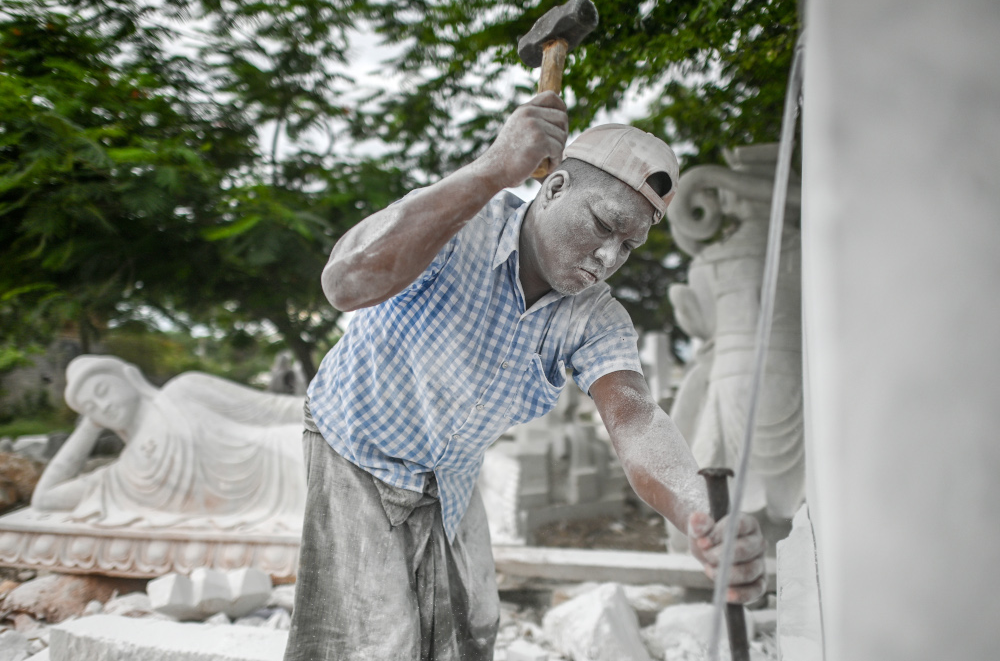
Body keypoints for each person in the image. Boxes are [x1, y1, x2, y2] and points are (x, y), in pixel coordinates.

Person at [284, 92, 766, 661]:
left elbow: (636, 419)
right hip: (355, 449)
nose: (609, 256)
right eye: (604, 224)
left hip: (449, 478)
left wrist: (699, 512)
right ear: (555, 187)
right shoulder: (457, 225)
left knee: (469, 635)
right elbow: (344, 283)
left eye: (629, 244)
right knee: (371, 645)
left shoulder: (594, 316)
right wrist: (492, 168)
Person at [33, 355, 306, 532]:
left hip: (296, 454)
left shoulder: (184, 391)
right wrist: (89, 426)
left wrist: (341, 409)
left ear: (128, 376)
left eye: (103, 390)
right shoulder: (127, 472)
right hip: (272, 511)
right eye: (91, 407)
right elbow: (45, 498)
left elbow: (273, 409)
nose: (103, 406)